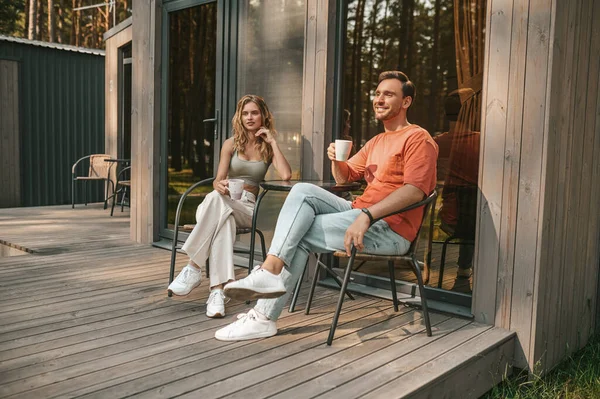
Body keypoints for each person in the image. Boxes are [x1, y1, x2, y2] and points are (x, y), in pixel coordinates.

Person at [215, 71, 438, 341]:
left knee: (298, 233)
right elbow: (345, 178)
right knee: (302, 191)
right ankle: (270, 272)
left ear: (406, 102)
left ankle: (263, 314)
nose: (379, 99)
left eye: (388, 94)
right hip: (358, 212)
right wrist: (336, 160)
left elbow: (415, 191)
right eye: (377, 94)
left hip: (389, 228)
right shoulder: (377, 141)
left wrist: (367, 216)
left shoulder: (418, 139)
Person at [167, 94, 292, 318]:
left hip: (247, 206)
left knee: (222, 212)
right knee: (220, 210)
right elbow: (217, 181)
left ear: (263, 115)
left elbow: (286, 174)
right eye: (245, 113)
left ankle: (194, 267)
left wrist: (272, 141)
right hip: (218, 202)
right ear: (240, 117)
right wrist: (220, 186)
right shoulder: (230, 144)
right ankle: (218, 290)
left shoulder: (267, 147)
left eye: (254, 112)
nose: (250, 117)